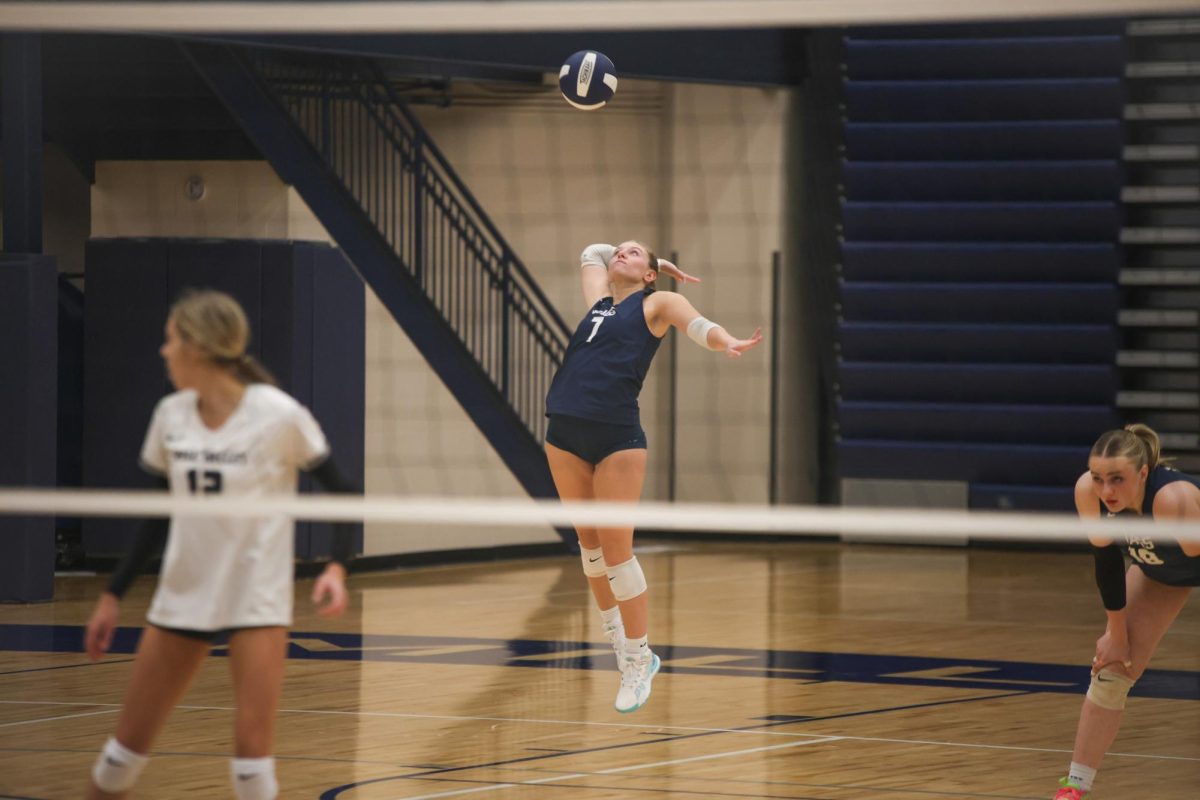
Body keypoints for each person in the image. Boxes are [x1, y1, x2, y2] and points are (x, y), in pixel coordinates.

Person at [83, 290, 359, 800]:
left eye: (171, 341)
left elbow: (344, 493)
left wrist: (336, 567)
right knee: (119, 759)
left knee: (252, 768)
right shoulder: (170, 415)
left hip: (256, 598)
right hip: (183, 594)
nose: (164, 352)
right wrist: (112, 595)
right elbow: (156, 518)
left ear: (199, 348)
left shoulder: (278, 415)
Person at [544, 241, 762, 713]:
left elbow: (697, 324)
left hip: (616, 437)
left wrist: (727, 342)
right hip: (562, 432)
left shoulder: (656, 303)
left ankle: (639, 660)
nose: (620, 253)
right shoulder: (599, 301)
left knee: (618, 554)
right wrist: (655, 259)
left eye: (634, 252)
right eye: (620, 250)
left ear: (647, 277)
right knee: (590, 549)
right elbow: (590, 249)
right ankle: (617, 644)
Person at [1054, 424, 1200, 799]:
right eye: (1099, 478)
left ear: (1143, 473)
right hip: (1161, 572)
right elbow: (1105, 561)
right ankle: (1074, 788)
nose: (1106, 491)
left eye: (1117, 479)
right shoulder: (1089, 493)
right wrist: (1115, 635)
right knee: (1111, 671)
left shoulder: (1172, 501)